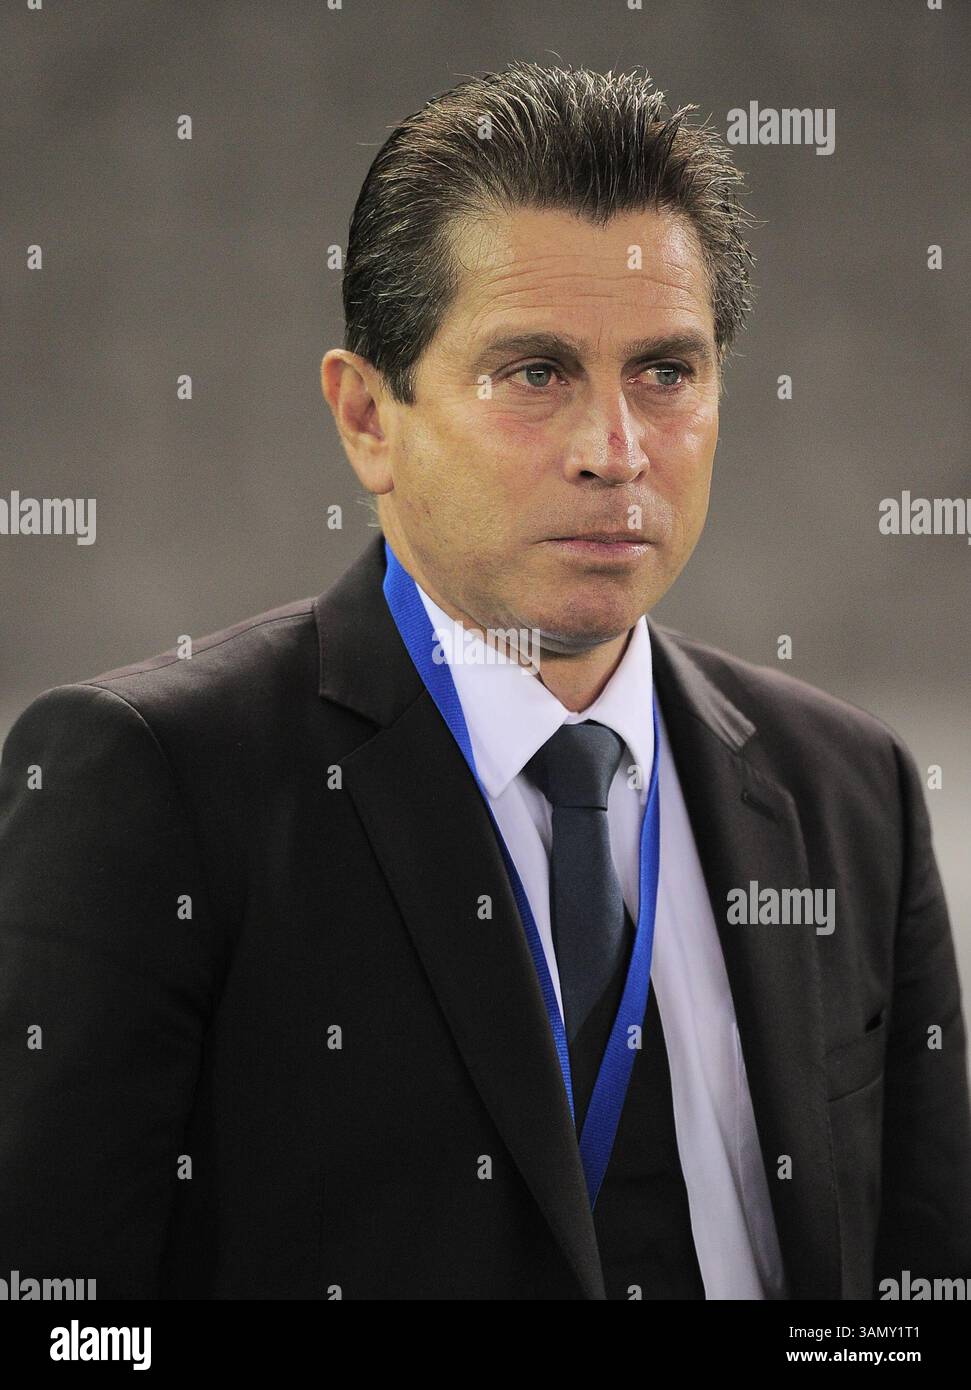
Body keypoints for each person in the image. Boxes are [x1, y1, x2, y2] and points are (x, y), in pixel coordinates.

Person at [1, 61, 969, 1301]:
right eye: (535, 373)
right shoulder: (151, 781)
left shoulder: (852, 792)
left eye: (664, 373)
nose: (614, 451)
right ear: (367, 418)